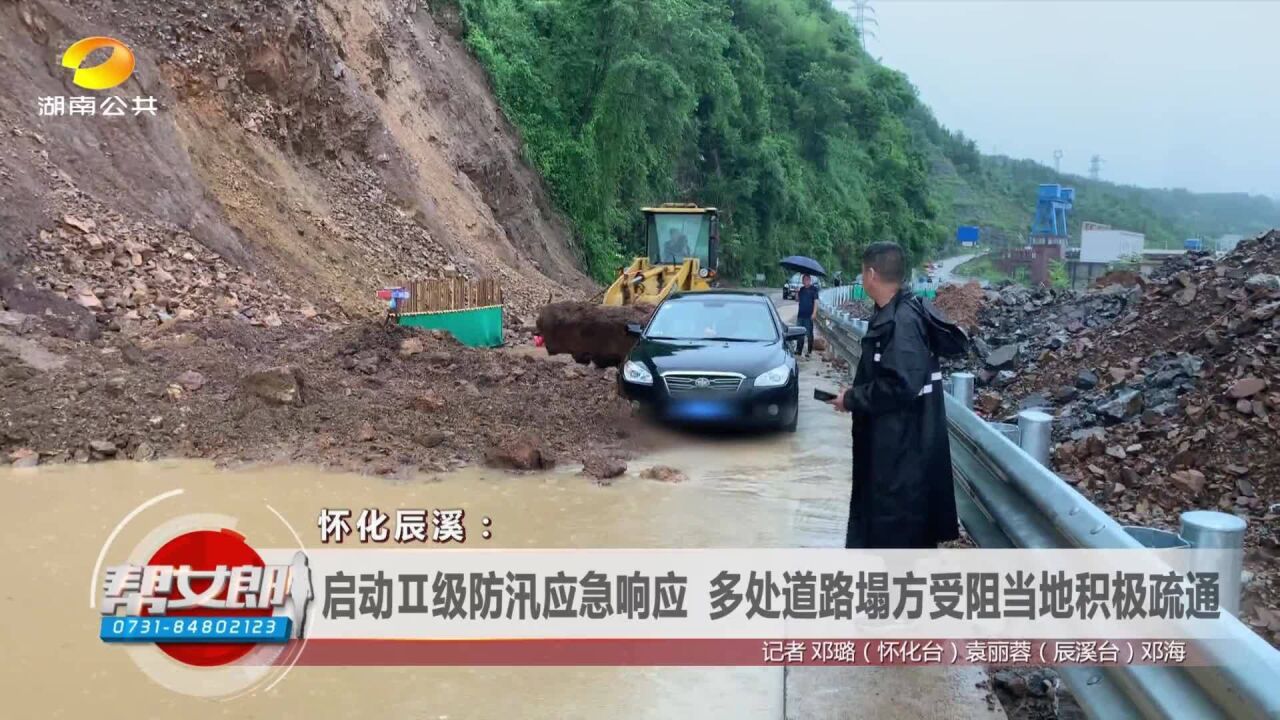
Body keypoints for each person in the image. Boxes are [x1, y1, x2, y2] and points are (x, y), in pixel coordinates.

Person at [828, 241, 958, 549]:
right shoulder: (895, 313)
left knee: (897, 548)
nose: (861, 278)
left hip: (902, 464)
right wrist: (854, 396)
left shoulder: (903, 322)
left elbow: (900, 386)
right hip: (894, 455)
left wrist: (852, 399)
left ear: (871, 274)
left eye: (862, 272)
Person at [793, 273, 818, 357]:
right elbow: (797, 300)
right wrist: (796, 293)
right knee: (799, 333)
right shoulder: (801, 290)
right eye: (804, 279)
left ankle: (809, 351)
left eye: (807, 279)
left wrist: (814, 313)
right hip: (800, 315)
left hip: (809, 315)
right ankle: (799, 350)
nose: (805, 281)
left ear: (810, 280)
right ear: (802, 281)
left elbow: (816, 302)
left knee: (809, 333)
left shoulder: (814, 290)